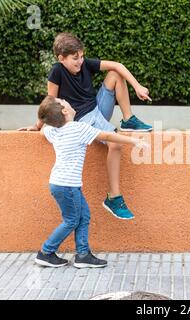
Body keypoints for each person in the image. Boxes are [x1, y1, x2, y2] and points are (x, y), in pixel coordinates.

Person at [19, 32, 152, 219]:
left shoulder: (84, 64)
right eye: (75, 59)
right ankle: (114, 197)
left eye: (81, 56)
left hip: (97, 109)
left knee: (115, 74)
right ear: (61, 58)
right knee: (115, 143)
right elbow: (50, 100)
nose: (80, 62)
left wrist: (137, 86)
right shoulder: (57, 71)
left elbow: (117, 65)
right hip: (82, 119)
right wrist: (38, 125)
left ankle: (128, 117)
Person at [34, 96, 148, 268]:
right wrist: (134, 140)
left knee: (84, 216)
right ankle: (46, 252)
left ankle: (83, 255)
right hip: (67, 186)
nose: (67, 100)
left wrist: (38, 124)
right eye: (64, 101)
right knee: (71, 220)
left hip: (62, 184)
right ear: (65, 111)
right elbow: (108, 135)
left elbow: (43, 130)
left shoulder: (54, 131)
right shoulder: (78, 129)